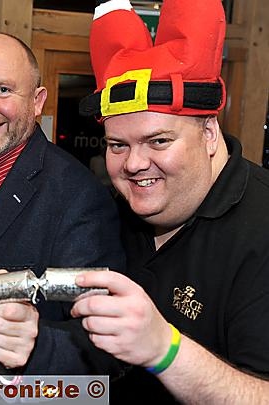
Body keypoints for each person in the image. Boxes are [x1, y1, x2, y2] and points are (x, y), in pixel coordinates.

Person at [73, 0, 269, 403]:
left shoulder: (262, 227)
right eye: (117, 145)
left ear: (209, 133)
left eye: (159, 140)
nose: (134, 164)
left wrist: (166, 350)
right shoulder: (109, 211)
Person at [0, 32, 126, 376]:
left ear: (37, 101)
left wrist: (33, 346)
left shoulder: (78, 196)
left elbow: (105, 350)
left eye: (3, 89)